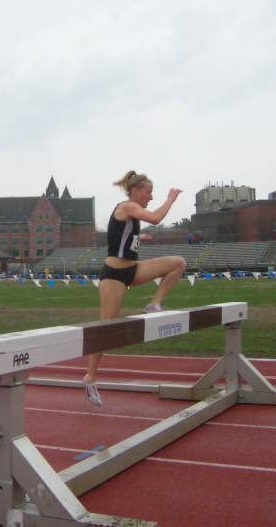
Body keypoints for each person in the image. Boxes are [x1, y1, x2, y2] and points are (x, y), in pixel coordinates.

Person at [83, 171, 187, 406]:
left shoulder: (131, 214)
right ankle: (90, 378)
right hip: (114, 276)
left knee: (178, 263)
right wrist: (170, 198)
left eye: (153, 193)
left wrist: (138, 238)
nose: (151, 197)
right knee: (106, 331)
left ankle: (154, 303)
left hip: (133, 269)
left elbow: (119, 238)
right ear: (135, 192)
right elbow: (156, 218)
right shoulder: (127, 206)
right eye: (148, 192)